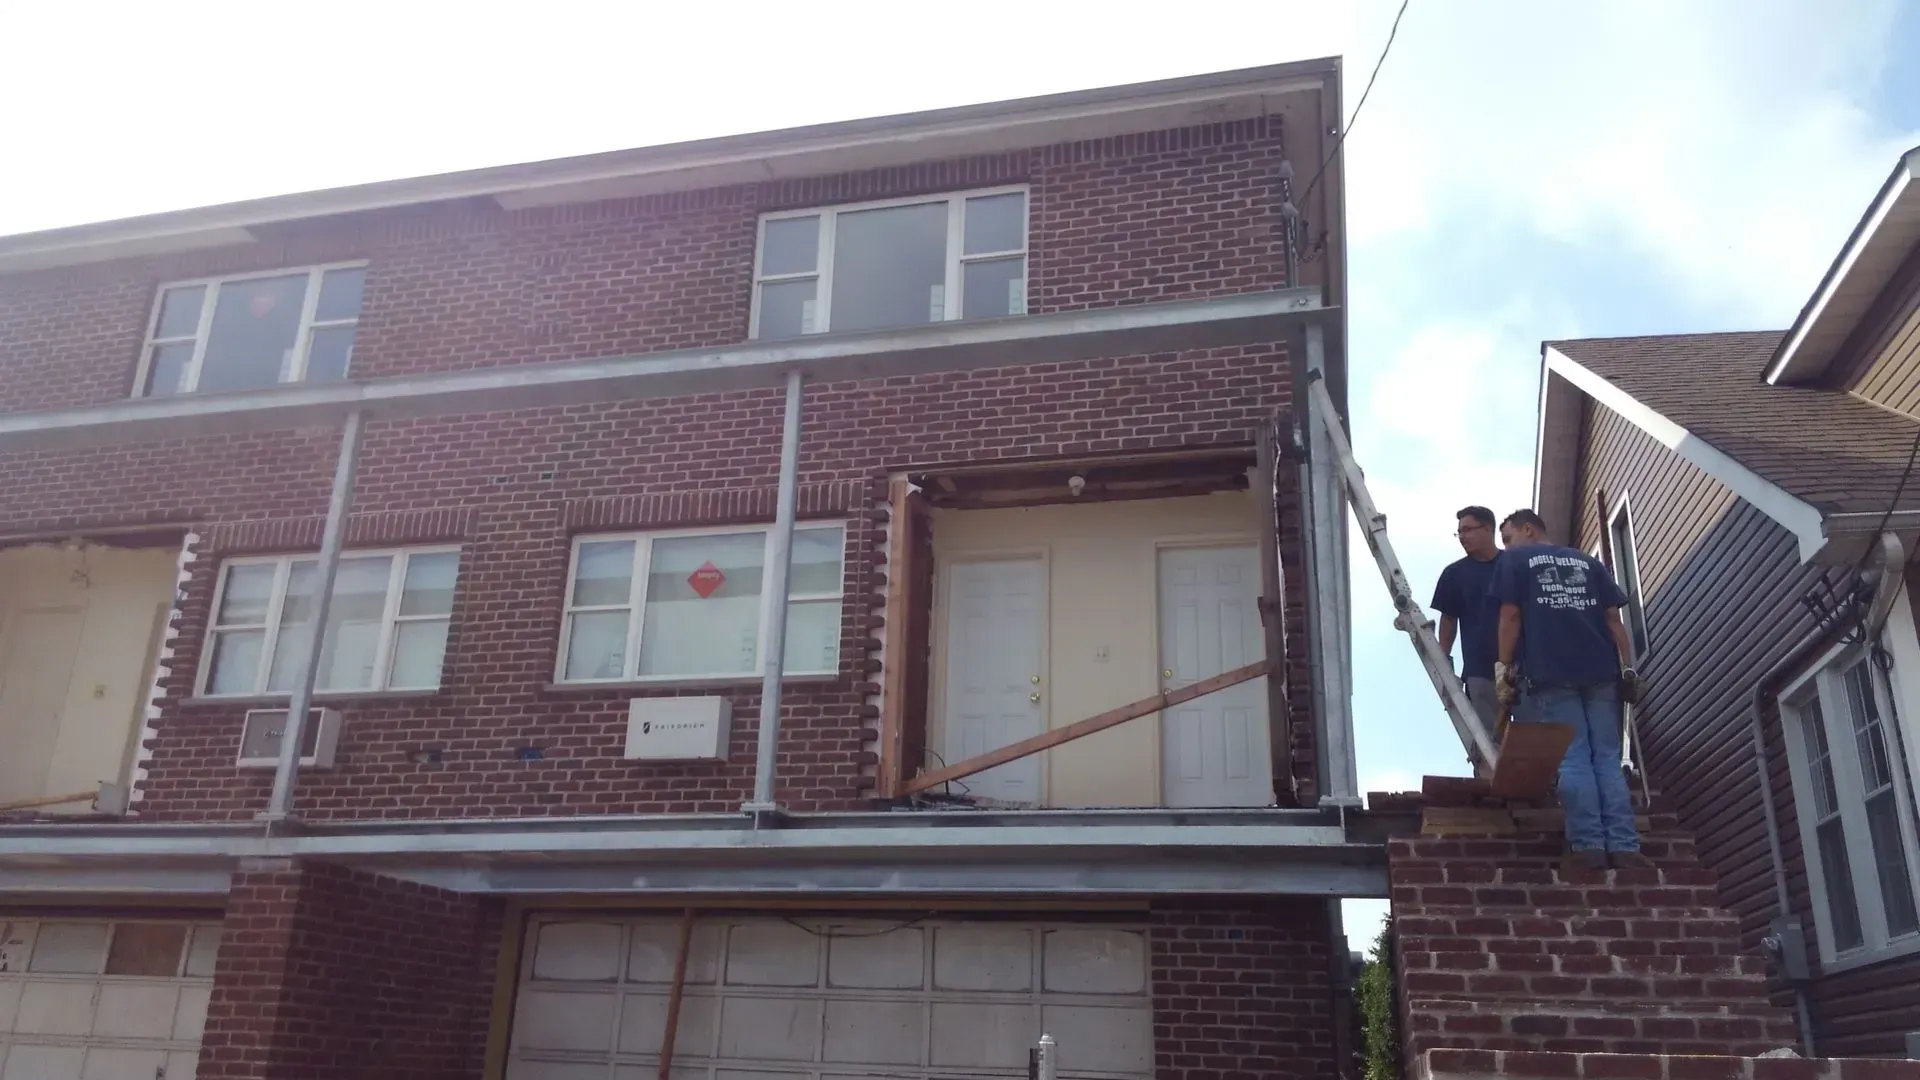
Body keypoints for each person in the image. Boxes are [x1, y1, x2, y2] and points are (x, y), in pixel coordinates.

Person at [1491, 508, 1648, 872]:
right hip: (1600, 672)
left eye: (1508, 537)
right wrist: (1627, 667)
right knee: (1607, 759)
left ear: (1528, 529)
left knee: (1574, 758)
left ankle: (1588, 846)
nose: (1506, 546)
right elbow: (1613, 620)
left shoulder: (1516, 561)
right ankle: (1625, 847)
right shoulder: (1585, 561)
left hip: (1551, 671)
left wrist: (1503, 667)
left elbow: (1510, 617)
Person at [1431, 506, 1503, 734]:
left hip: (1522, 667)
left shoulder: (1513, 565)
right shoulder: (1454, 574)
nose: (1462, 537)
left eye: (1468, 530)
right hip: (1479, 670)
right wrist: (1443, 659)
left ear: (1488, 529)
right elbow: (1448, 619)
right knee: (1487, 739)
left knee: (1532, 736)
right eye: (1459, 532)